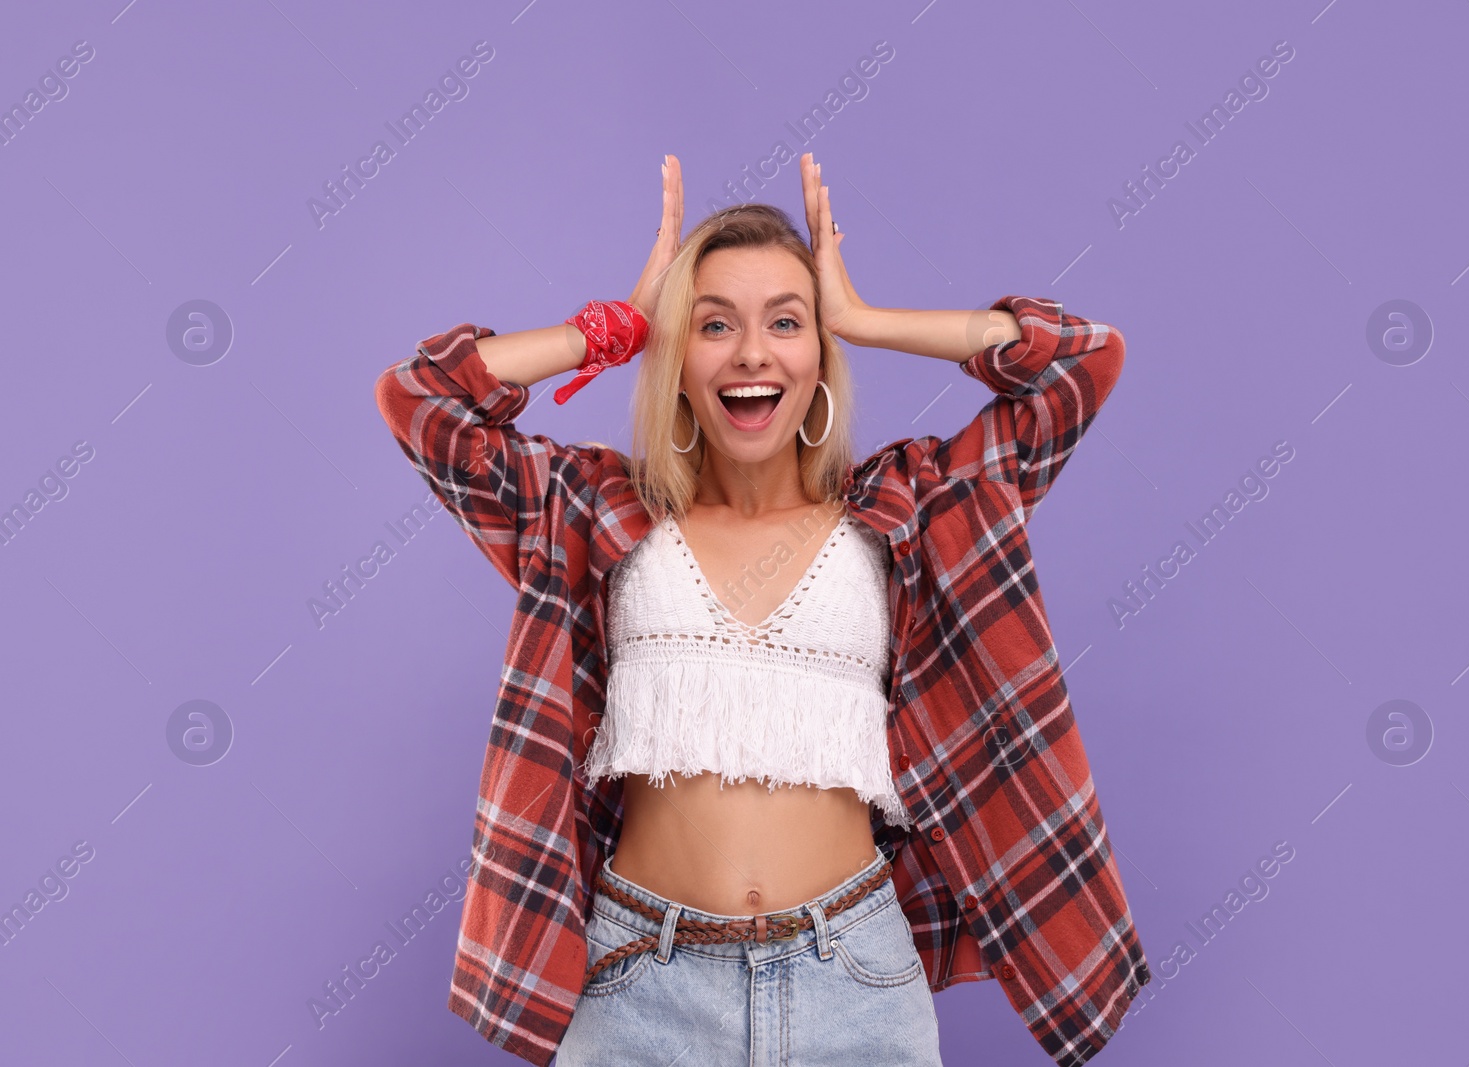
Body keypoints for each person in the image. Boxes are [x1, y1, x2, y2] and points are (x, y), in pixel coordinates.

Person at [373, 152, 1151, 1067]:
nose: (751, 352)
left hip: (854, 984)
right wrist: (612, 327)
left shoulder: (909, 510)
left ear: (817, 353)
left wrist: (861, 316)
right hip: (640, 987)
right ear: (678, 355)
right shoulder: (594, 512)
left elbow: (1081, 364)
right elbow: (421, 398)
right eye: (712, 325)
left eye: (787, 322)